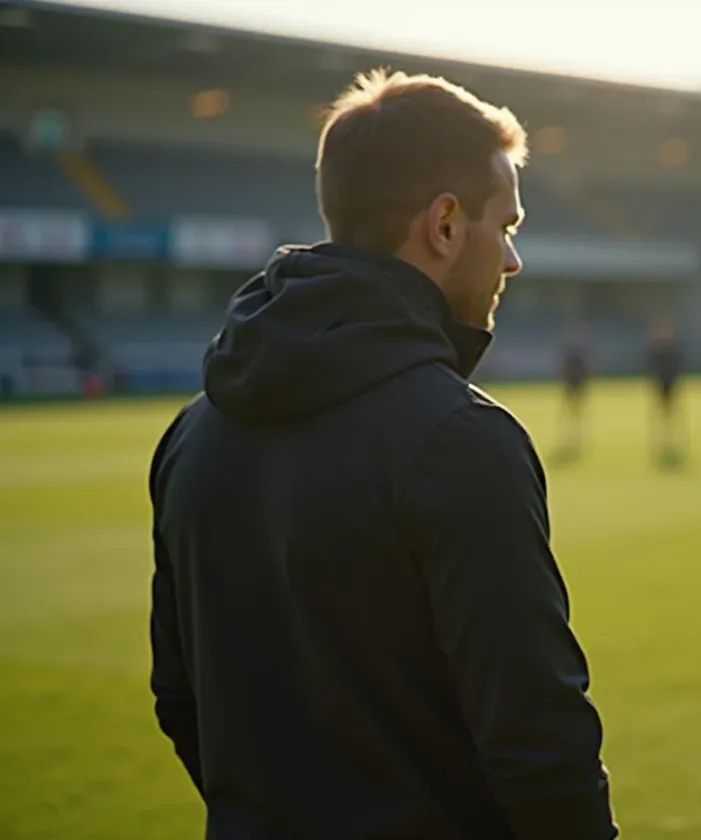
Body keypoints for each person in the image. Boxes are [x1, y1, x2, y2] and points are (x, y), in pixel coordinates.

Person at [147, 69, 618, 840]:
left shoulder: (192, 434)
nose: (512, 261)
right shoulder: (462, 442)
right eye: (507, 227)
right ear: (444, 225)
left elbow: (180, 700)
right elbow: (540, 747)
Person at [646, 315, 685, 466]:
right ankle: (661, 443)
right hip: (661, 385)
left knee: (673, 416)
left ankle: (672, 442)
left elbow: (678, 368)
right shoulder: (657, 352)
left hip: (671, 384)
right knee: (660, 415)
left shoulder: (672, 351)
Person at [556, 321, 592, 461]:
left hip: (578, 384)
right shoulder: (569, 351)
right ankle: (569, 437)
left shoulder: (580, 352)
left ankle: (577, 437)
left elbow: (587, 369)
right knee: (569, 412)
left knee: (578, 413)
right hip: (570, 385)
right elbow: (563, 368)